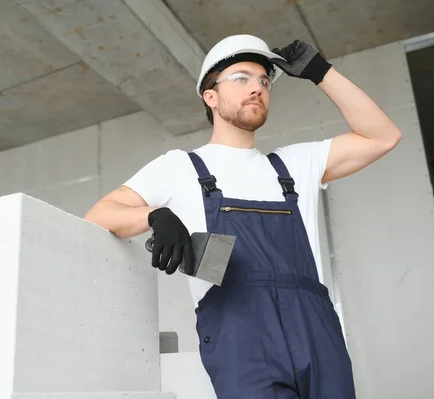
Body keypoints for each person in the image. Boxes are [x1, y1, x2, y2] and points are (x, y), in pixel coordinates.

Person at [84, 34, 401, 398]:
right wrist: (155, 215)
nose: (257, 88)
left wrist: (321, 72)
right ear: (211, 96)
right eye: (241, 78)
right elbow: (98, 215)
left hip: (315, 327)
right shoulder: (180, 167)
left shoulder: (294, 166)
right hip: (240, 334)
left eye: (264, 81)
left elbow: (383, 136)